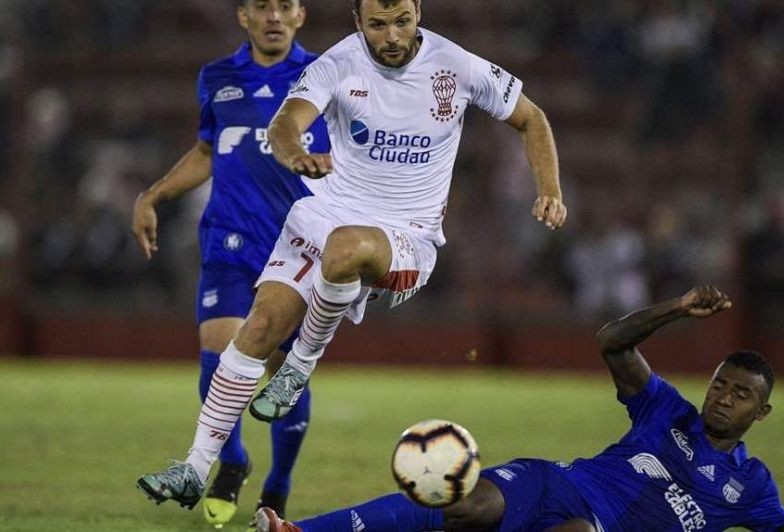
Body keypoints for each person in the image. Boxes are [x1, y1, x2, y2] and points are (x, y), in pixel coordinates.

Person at [137, 0, 567, 513]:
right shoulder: (338, 64)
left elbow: (532, 117)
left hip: (407, 238)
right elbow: (284, 124)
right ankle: (195, 467)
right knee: (258, 327)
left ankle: (300, 365)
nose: (392, 36)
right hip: (324, 217)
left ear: (418, 13)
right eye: (378, 25)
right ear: (357, 21)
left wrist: (550, 188)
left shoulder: (456, 65)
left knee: (346, 247)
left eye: (402, 21)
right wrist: (294, 154)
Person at [251, 286, 784, 532]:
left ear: (761, 413)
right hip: (558, 484)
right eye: (721, 385)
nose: (723, 398)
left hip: (593, 527)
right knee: (464, 503)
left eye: (741, 395)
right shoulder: (666, 410)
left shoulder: (751, 487)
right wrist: (675, 308)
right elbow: (612, 342)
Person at [131, 0, 329, 526]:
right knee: (218, 352)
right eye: (262, 6)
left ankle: (278, 485)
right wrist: (153, 195)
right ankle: (233, 458)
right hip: (230, 239)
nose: (273, 16)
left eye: (284, 6)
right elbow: (206, 152)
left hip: (299, 247)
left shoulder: (324, 76)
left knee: (283, 372)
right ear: (243, 16)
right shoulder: (216, 77)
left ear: (301, 15)